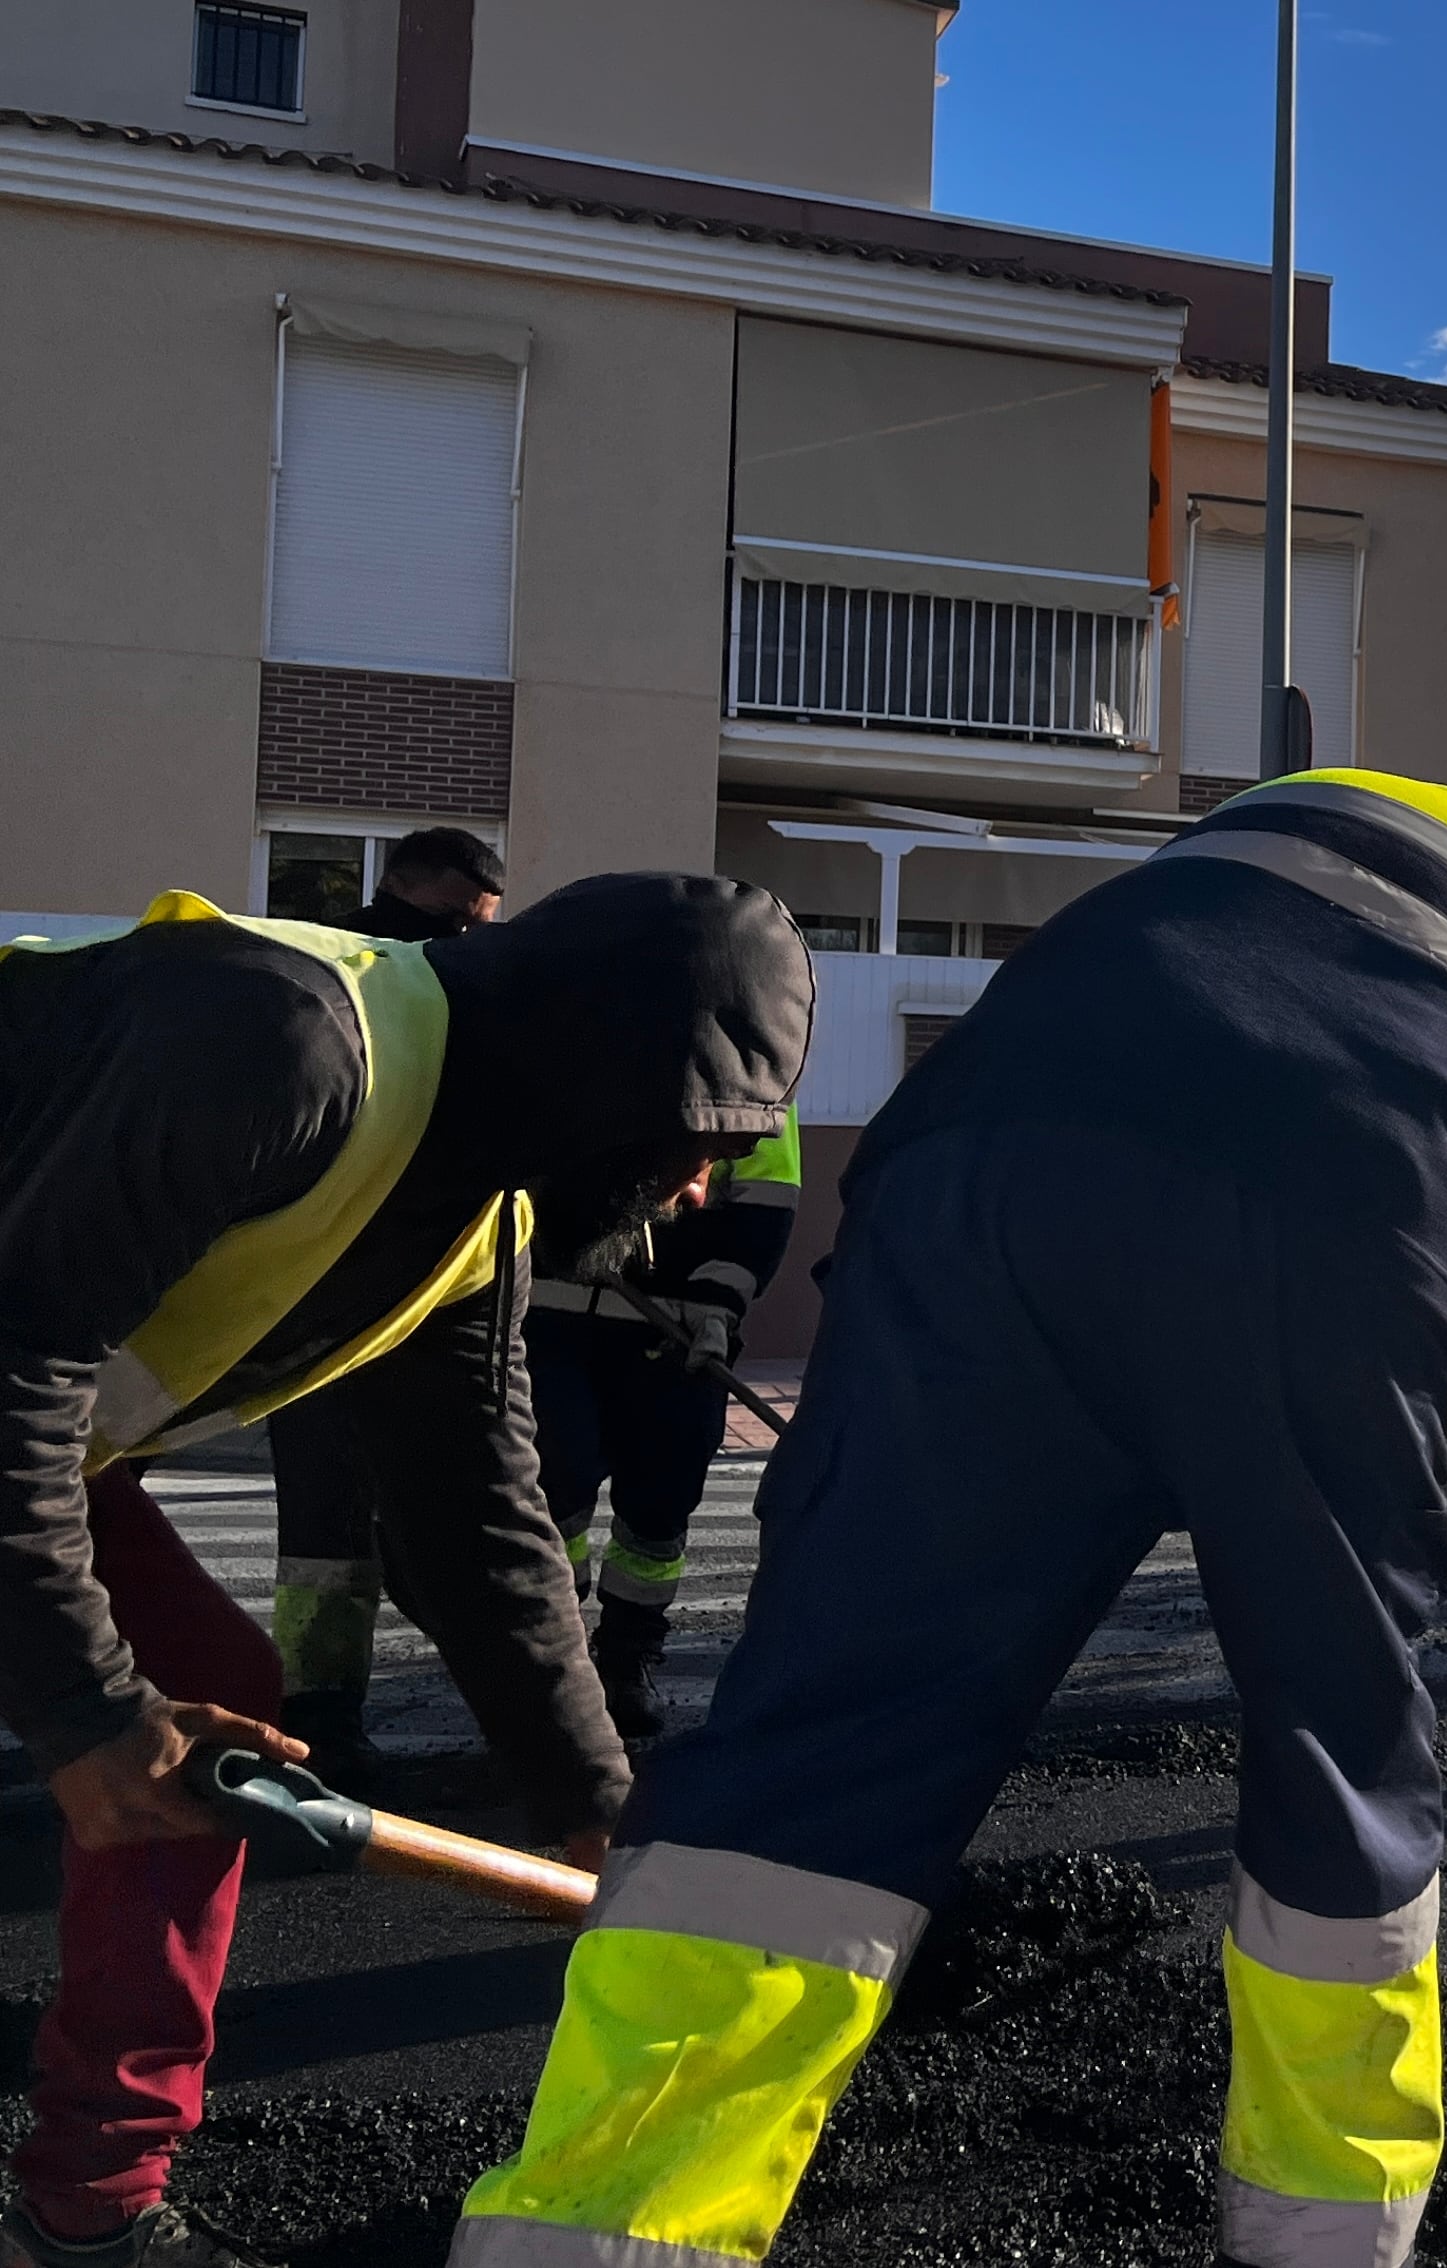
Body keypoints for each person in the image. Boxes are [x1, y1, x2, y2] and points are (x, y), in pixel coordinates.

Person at [454, 772, 1447, 2268]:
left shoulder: (1312, 804)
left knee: (829, 1724)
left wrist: (1416, 1400)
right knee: (1335, 1724)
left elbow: (1196, 1062)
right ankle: (1317, 2234)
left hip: (960, 1186)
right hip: (1335, 1211)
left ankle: (594, 2230)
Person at [0, 874, 809, 2268]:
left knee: (204, 1695)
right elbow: (11, 1362)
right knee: (131, 1710)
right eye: (693, 1141)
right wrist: (81, 1714)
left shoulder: (467, 1216)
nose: (694, 1188)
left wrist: (593, 1805)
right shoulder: (285, 1042)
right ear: (595, 1081)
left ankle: (92, 2204)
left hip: (43, 1432)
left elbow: (473, 1527)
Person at [263, 825, 511, 1787]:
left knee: (337, 1526)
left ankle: (326, 1712)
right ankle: (340, 1711)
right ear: (409, 884)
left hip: (349, 1298)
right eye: (453, 913)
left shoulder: (327, 971)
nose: (458, 934)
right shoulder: (396, 980)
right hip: (360, 1299)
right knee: (382, 1519)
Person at [531, 1105, 803, 1738]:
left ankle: (627, 1659)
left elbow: (768, 1198)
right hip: (553, 1314)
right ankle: (559, 1660)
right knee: (551, 1480)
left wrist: (720, 1303)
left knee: (659, 1506)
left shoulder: (760, 1071)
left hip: (677, 1329)